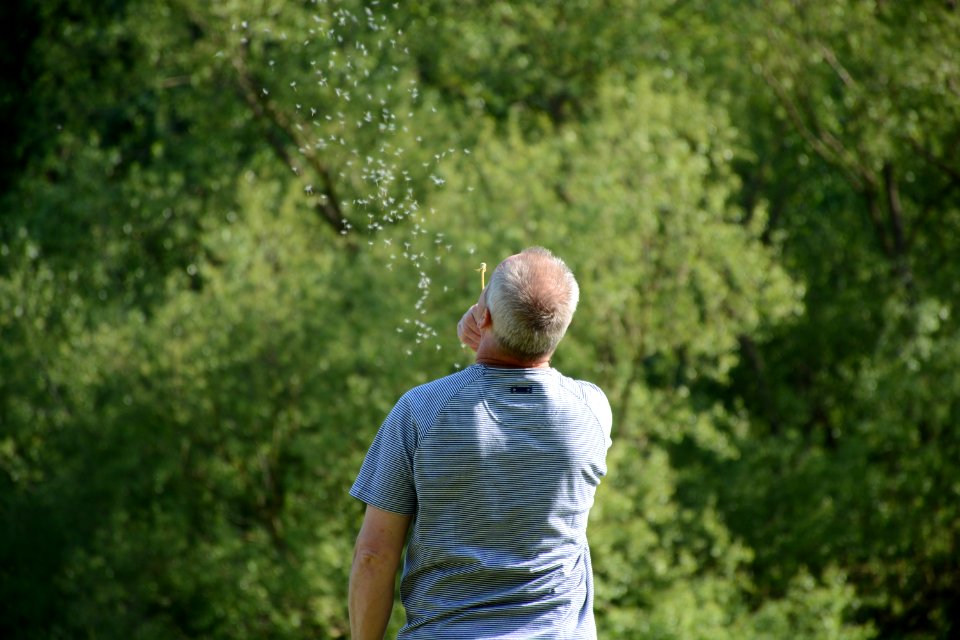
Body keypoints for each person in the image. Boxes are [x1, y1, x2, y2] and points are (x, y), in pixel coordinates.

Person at [348, 247, 613, 639]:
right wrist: (499, 325)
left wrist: (490, 325)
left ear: (483, 315)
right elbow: (531, 341)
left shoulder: (421, 411)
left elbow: (374, 555)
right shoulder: (591, 411)